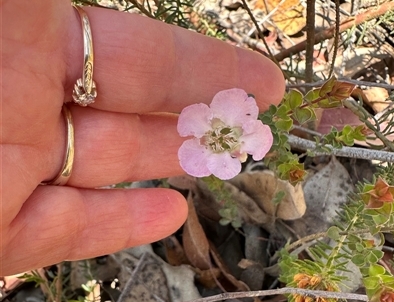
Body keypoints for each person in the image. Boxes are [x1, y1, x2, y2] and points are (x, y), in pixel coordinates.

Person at [1, 0, 285, 276]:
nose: (223, 139)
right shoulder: (205, 127)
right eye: (222, 137)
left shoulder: (239, 132)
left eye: (225, 140)